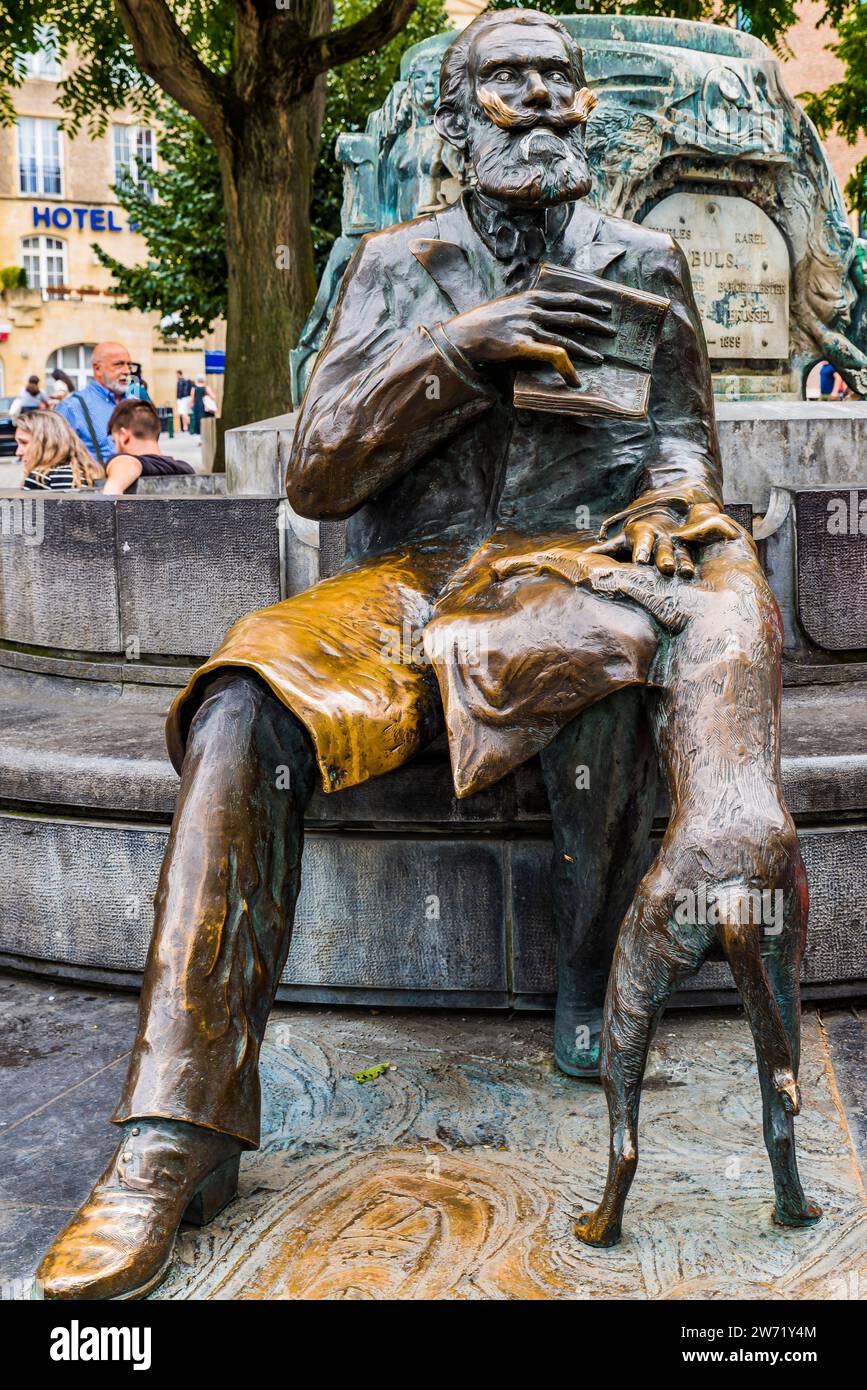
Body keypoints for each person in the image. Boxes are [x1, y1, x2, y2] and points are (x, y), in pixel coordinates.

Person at [37, 10, 802, 1300]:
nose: (547, 101)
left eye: (561, 81)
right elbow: (317, 474)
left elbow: (684, 451)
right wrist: (462, 349)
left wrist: (673, 504)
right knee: (239, 699)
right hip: (408, 583)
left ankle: (582, 973)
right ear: (457, 121)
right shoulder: (393, 265)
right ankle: (172, 1138)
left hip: (575, 564)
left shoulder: (647, 261)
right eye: (511, 81)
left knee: (613, 648)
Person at [54, 341, 133, 465]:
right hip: (97, 482)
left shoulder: (135, 402)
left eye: (129, 365)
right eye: (119, 365)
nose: (127, 371)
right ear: (97, 369)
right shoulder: (72, 407)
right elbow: (56, 459)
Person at [102, 398, 195, 495]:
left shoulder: (126, 462)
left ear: (124, 436)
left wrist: (113, 489)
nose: (116, 449)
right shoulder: (185, 468)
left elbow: (127, 463)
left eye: (114, 441)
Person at [16, 409, 101, 491]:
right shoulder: (86, 473)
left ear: (46, 442)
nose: (18, 452)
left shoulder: (40, 479)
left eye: (24, 442)